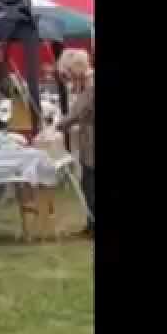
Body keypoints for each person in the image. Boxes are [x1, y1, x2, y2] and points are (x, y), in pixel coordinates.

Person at [56, 48, 94, 237]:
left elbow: (78, 113)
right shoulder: (84, 84)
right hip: (88, 140)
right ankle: (90, 224)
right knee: (87, 182)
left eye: (68, 72)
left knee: (90, 184)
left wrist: (58, 125)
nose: (67, 77)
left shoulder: (91, 84)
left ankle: (93, 225)